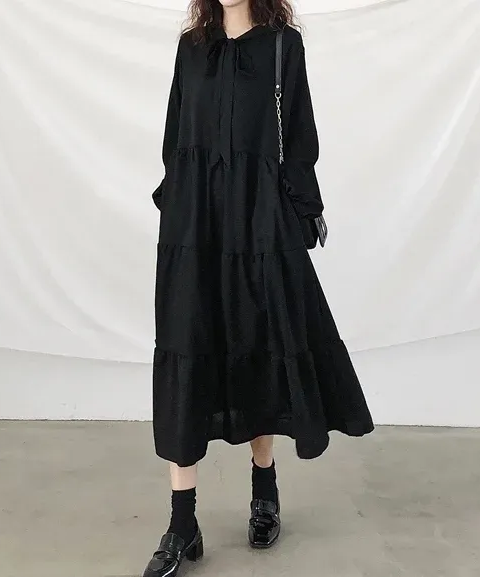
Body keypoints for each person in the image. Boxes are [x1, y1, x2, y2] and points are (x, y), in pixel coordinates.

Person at [143, 1, 374, 575]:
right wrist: (176, 200)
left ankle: (264, 489)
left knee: (259, 342)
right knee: (187, 348)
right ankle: (181, 523)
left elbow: (299, 135)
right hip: (196, 222)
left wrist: (302, 210)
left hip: (258, 219)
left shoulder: (281, 46)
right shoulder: (191, 47)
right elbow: (175, 134)